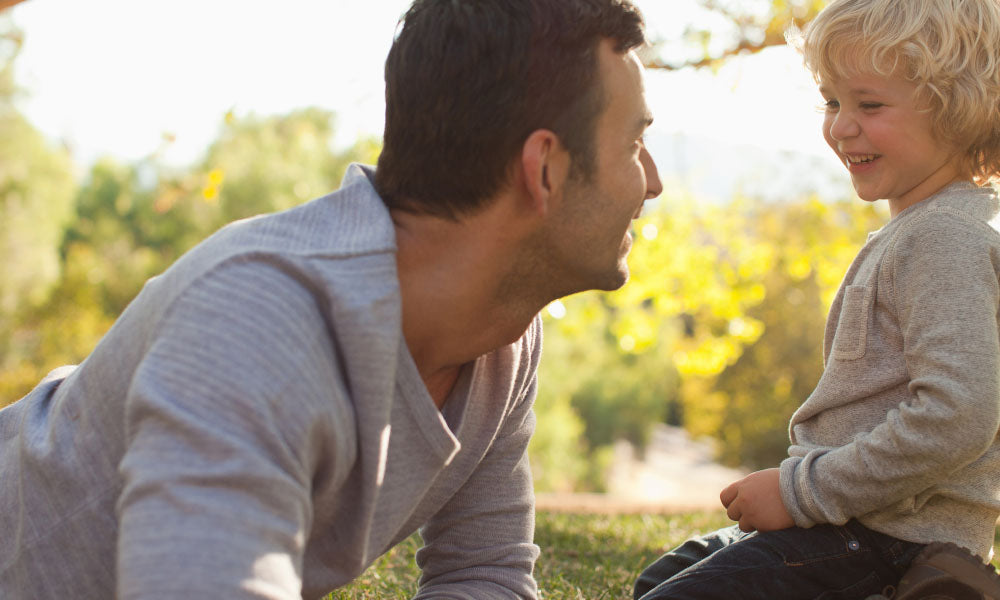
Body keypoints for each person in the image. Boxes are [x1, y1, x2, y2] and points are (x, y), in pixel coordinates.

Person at [0, 1, 662, 598]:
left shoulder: (502, 338)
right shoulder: (259, 323)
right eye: (634, 144)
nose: (654, 182)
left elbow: (486, 574)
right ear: (544, 169)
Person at [633, 0, 1000, 598]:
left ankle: (930, 588)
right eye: (832, 101)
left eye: (869, 105)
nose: (840, 127)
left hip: (892, 538)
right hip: (854, 523)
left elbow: (959, 416)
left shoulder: (943, 238)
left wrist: (797, 492)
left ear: (958, 109)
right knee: (660, 580)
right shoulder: (919, 230)